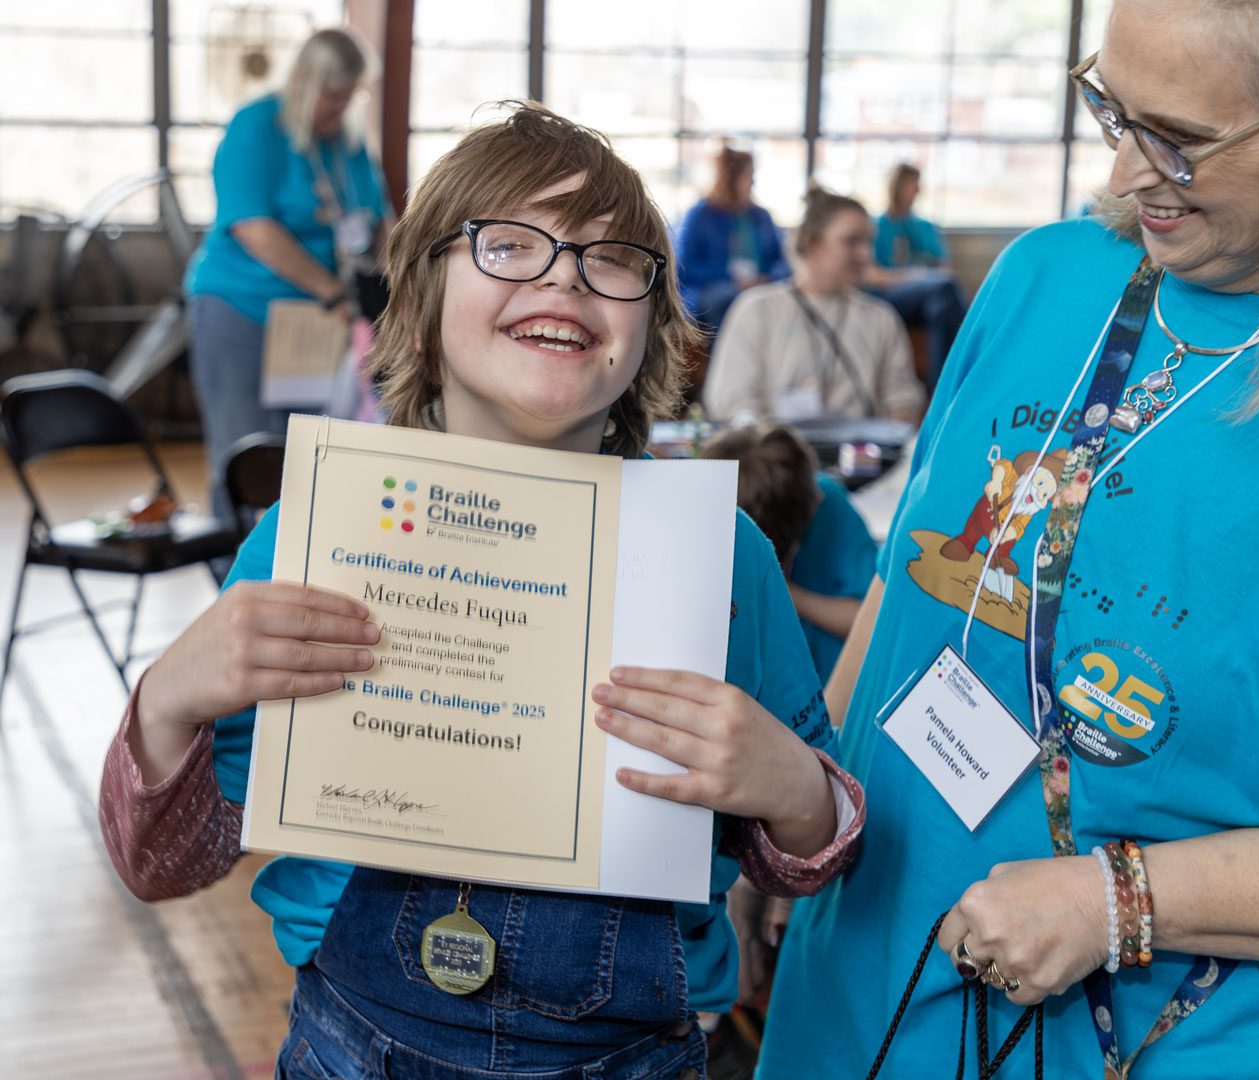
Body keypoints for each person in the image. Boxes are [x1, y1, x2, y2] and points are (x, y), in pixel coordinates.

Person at [99, 103, 865, 1080]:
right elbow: (164, 865)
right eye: (509, 244)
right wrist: (167, 702)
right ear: (418, 300)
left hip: (638, 1057)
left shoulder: (723, 555)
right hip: (354, 1045)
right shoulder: (314, 535)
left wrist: (795, 792)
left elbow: (821, 849)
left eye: (614, 258)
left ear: (653, 324)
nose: (563, 275)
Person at [759, 1, 1259, 1077]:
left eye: (1179, 142)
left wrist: (1114, 902)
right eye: (1109, 107)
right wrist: (791, 822)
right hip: (865, 960)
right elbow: (898, 592)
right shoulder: (1039, 276)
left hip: (1146, 1027)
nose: (1120, 175)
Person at [186, 28, 393, 524]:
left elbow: (380, 221)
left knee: (303, 453)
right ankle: (235, 579)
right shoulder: (256, 127)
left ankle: (295, 564)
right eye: (332, 94)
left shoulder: (346, 143)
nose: (339, 106)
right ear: (303, 80)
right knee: (245, 453)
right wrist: (331, 290)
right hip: (242, 310)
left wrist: (394, 284)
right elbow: (254, 227)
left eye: (350, 96)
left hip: (317, 321)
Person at [703, 187, 924, 424]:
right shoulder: (757, 309)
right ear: (812, 244)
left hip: (859, 457)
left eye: (869, 242)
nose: (866, 254)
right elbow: (731, 400)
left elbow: (902, 399)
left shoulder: (881, 317)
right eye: (852, 241)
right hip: (775, 453)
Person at [700, 424, 878, 684]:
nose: (818, 495)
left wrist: (782, 589)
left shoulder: (826, 499)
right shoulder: (719, 547)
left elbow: (870, 621)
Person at [864, 162, 967, 391]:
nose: (916, 191)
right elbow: (872, 276)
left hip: (929, 298)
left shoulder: (925, 227)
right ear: (897, 186)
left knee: (941, 303)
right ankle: (952, 385)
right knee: (943, 291)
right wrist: (915, 276)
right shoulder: (875, 227)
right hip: (890, 296)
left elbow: (943, 270)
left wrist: (926, 278)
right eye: (912, 185)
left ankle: (940, 388)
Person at [675, 147, 790, 335]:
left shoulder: (761, 217)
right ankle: (728, 362)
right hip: (715, 288)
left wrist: (768, 278)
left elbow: (781, 262)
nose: (753, 181)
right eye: (748, 175)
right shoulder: (701, 215)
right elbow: (686, 267)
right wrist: (733, 280)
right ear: (731, 178)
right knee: (728, 300)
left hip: (761, 285)